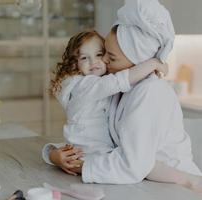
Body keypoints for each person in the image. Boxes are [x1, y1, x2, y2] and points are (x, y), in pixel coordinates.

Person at [42, 0, 202, 193]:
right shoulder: (117, 90)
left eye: (110, 56)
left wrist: (80, 165)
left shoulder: (148, 93)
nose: (103, 62)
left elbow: (131, 166)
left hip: (177, 189)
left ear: (137, 60)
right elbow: (91, 136)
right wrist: (55, 154)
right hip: (143, 184)